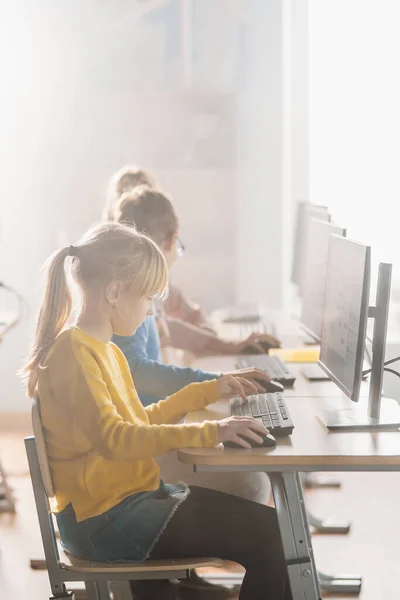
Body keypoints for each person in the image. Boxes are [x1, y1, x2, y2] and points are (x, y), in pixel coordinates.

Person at [21, 222, 292, 600]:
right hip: (106, 523)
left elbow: (137, 423)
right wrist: (212, 432)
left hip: (130, 503)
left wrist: (209, 389)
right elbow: (117, 440)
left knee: (279, 531)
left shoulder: (105, 350)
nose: (151, 312)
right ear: (115, 292)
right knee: (275, 541)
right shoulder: (74, 355)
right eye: (147, 298)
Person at [113, 187, 272, 503]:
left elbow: (166, 330)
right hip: (142, 446)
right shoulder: (132, 295)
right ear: (170, 241)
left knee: (248, 452)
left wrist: (227, 350)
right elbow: (136, 369)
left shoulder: (135, 289)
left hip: (150, 430)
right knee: (254, 480)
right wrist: (210, 382)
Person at [105, 165, 279, 354]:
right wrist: (222, 345)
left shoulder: (152, 279)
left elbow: (182, 310)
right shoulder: (123, 288)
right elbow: (161, 331)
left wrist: (212, 336)